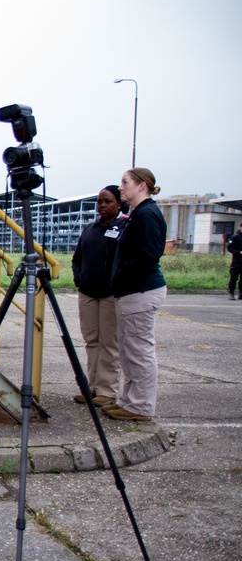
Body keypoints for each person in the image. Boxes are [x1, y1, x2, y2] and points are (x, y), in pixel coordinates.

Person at [102, 168, 167, 422]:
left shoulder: (148, 213)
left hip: (140, 289)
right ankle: (128, 400)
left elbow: (150, 253)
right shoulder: (137, 213)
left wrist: (121, 274)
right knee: (128, 349)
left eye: (125, 182)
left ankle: (141, 406)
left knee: (139, 350)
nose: (121, 187)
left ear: (142, 186)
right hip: (130, 291)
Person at [71, 185, 125, 407]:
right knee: (91, 341)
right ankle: (91, 388)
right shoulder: (90, 229)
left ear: (119, 204)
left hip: (110, 294)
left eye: (108, 201)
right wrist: (79, 279)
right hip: (88, 293)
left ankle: (107, 390)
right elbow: (78, 258)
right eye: (99, 201)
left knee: (109, 343)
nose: (102, 205)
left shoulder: (124, 228)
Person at [227, 226, 242, 300]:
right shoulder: (235, 237)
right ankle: (231, 293)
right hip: (237, 261)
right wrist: (239, 252)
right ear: (240, 227)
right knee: (234, 278)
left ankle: (241, 293)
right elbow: (230, 248)